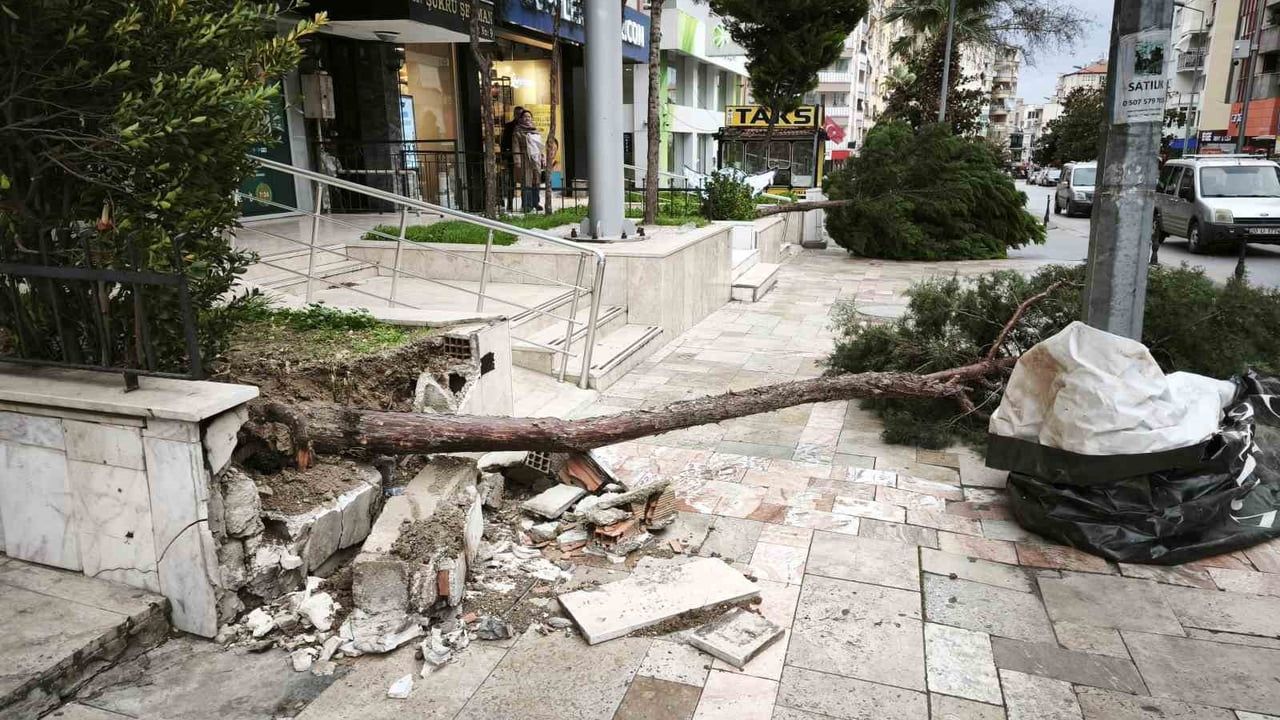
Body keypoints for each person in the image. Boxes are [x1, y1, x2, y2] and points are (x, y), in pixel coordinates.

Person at [512, 109, 545, 213]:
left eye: (529, 117)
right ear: (521, 119)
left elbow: (539, 146)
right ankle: (527, 205)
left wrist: (542, 157)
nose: (527, 118)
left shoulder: (535, 130)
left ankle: (536, 203)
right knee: (527, 181)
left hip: (535, 159)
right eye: (525, 117)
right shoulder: (517, 132)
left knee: (536, 181)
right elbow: (515, 147)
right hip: (525, 158)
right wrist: (517, 161)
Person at [499, 106, 524, 212]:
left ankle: (525, 203)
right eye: (517, 114)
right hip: (511, 158)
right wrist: (504, 156)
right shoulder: (509, 126)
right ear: (514, 114)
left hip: (523, 158)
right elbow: (504, 142)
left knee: (524, 181)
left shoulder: (526, 126)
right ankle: (509, 203)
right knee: (511, 182)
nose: (519, 116)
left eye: (521, 114)